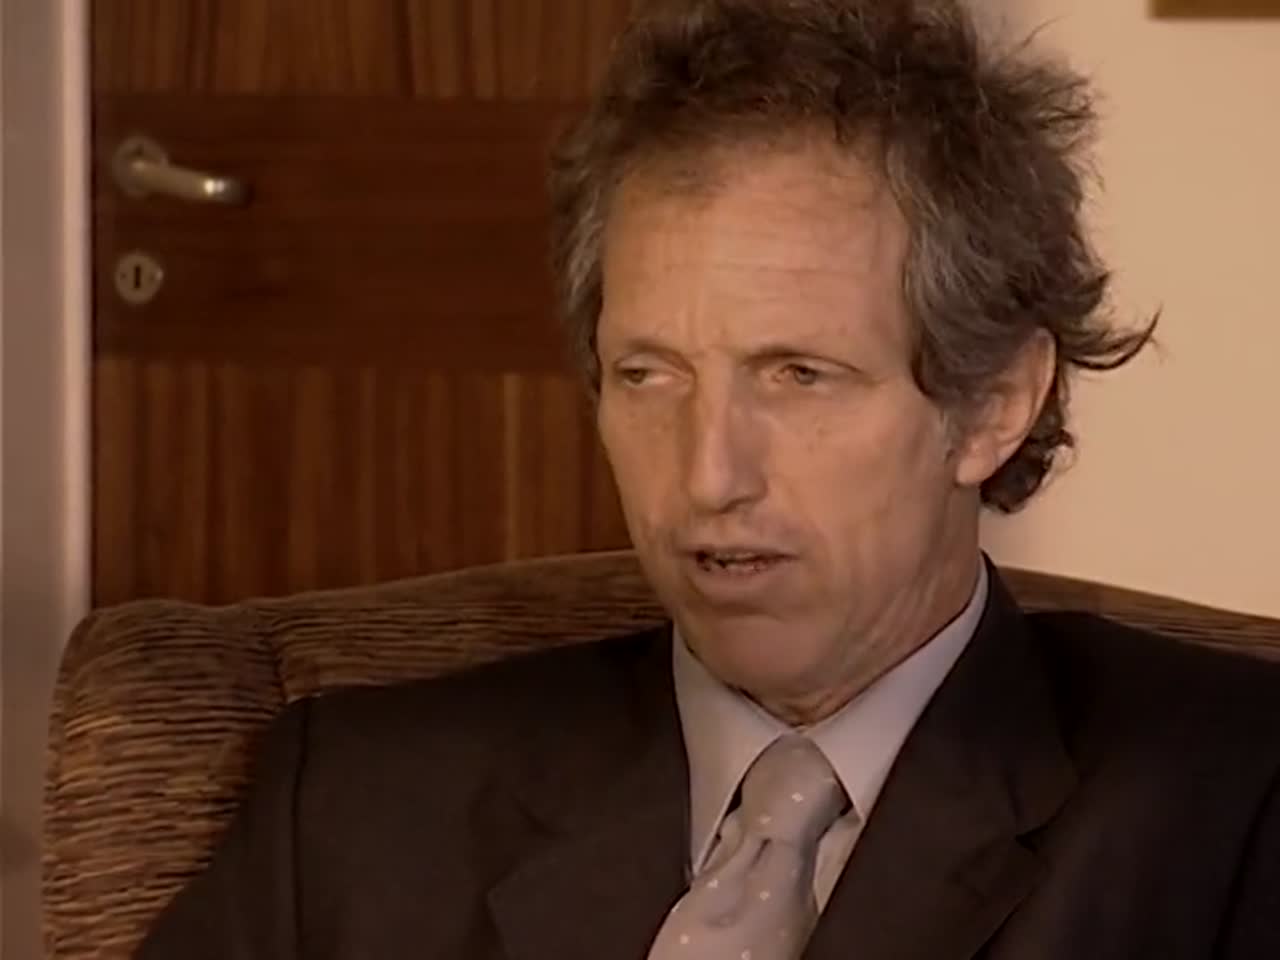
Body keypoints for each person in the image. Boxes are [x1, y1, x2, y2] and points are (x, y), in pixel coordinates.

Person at [136, 1, 1280, 958]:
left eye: (797, 375)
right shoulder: (354, 809)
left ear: (991, 405)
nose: (705, 474)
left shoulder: (1224, 814)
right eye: (648, 375)